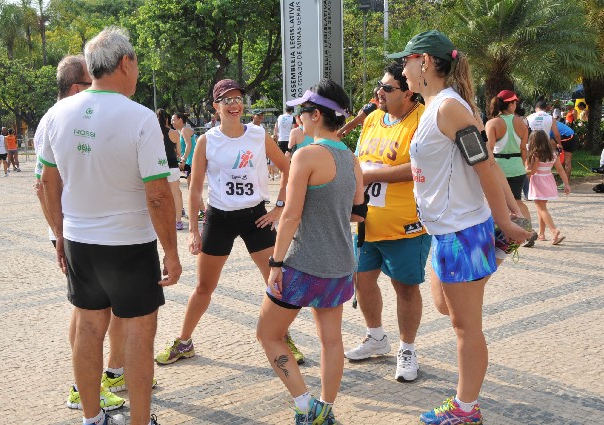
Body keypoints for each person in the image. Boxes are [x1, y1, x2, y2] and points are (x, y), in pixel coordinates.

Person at [40, 27, 179, 425]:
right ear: (125, 63)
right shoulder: (140, 117)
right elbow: (158, 194)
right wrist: (171, 252)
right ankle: (140, 420)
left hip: (80, 241)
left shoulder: (56, 115)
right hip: (129, 244)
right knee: (138, 334)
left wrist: (60, 234)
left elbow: (46, 183)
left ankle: (91, 418)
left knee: (88, 328)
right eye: (136, 64)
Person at [391, 30, 531, 424]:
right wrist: (510, 214)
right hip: (445, 230)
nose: (402, 70)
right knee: (443, 305)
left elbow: (484, 165)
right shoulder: (436, 106)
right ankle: (496, 246)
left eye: (405, 61)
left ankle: (465, 409)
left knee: (466, 326)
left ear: (424, 62)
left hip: (461, 230)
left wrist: (505, 218)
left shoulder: (449, 108)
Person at [155, 79, 305, 366]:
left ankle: (283, 338)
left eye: (238, 99)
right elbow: (195, 189)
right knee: (204, 287)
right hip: (220, 218)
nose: (234, 105)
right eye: (227, 100)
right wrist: (194, 231)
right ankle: (184, 342)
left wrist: (278, 208)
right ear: (216, 106)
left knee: (276, 282)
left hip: (255, 217)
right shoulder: (207, 141)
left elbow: (289, 169)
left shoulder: (259, 135)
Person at [256, 79, 364, 425]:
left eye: (302, 111)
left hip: (302, 264)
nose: (298, 117)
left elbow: (290, 215)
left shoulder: (307, 154)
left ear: (316, 115)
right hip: (340, 264)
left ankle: (304, 405)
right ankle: (324, 409)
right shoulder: (352, 159)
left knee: (268, 334)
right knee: (331, 341)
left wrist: (275, 262)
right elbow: (358, 212)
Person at [33, 54, 134, 414]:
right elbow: (43, 185)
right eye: (93, 80)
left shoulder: (70, 116)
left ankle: (100, 378)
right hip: (73, 230)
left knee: (92, 311)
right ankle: (82, 388)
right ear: (78, 87)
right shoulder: (57, 118)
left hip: (79, 229)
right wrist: (59, 233)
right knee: (90, 314)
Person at [342, 62, 431, 383]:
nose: (379, 93)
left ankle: (408, 349)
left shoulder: (422, 120)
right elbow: (359, 160)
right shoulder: (373, 119)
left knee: (404, 288)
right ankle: (376, 336)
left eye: (387, 88)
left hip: (407, 225)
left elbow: (421, 168)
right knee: (361, 281)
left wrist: (373, 175)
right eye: (379, 87)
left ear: (408, 93)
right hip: (367, 223)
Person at [485, 90, 534, 245]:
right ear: (511, 104)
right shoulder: (522, 123)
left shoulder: (493, 123)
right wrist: (521, 164)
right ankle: (528, 231)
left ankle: (500, 235)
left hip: (499, 167)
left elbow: (489, 149)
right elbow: (524, 148)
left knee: (496, 202)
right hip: (517, 167)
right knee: (517, 201)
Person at [526, 130, 571, 244]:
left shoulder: (536, 155)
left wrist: (521, 170)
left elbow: (533, 171)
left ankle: (554, 230)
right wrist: (566, 184)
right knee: (542, 207)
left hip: (538, 181)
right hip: (548, 180)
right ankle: (541, 234)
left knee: (541, 208)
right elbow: (560, 170)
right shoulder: (553, 154)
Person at [172, 113, 206, 220]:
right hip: (190, 162)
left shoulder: (184, 130)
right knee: (192, 188)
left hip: (191, 163)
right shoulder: (182, 131)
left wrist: (183, 159)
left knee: (193, 188)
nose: (172, 122)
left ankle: (203, 212)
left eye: (174, 119)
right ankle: (202, 211)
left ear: (180, 120)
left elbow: (189, 145)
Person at [157, 108, 185, 231]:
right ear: (167, 119)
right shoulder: (174, 133)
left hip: (159, 166)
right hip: (173, 166)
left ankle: (164, 219)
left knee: (161, 195)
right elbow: (179, 153)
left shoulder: (155, 133)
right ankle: (178, 221)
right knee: (176, 193)